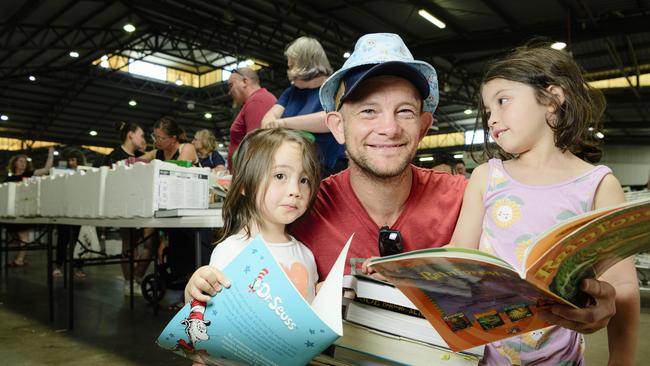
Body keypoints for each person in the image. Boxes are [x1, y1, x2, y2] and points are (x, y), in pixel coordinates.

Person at [448, 44, 639, 365]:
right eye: (488, 110)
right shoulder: (487, 177)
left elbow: (623, 287)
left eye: (503, 101)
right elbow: (457, 255)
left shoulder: (597, 184)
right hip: (484, 355)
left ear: (552, 99)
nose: (492, 117)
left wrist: (620, 361)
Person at [183, 128, 321, 308]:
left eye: (304, 180)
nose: (295, 190)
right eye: (280, 176)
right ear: (244, 186)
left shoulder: (306, 255)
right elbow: (208, 317)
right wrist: (192, 293)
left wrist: (321, 295)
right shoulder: (231, 251)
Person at [261, 36, 346, 177]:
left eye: (291, 64)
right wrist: (272, 122)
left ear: (305, 64)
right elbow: (268, 119)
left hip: (325, 168)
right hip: (292, 165)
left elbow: (329, 120)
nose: (288, 66)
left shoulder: (334, 88)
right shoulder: (291, 92)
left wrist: (282, 123)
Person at [100, 121, 155, 295]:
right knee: (129, 244)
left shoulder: (143, 155)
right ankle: (128, 282)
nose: (143, 139)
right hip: (125, 207)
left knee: (152, 243)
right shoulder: (114, 156)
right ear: (130, 134)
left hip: (146, 205)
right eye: (141, 135)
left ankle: (137, 278)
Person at [4, 146, 54, 267]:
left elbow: (46, 169)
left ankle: (20, 259)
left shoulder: (29, 174)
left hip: (24, 209)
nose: (23, 163)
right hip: (11, 212)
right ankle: (20, 258)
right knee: (17, 237)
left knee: (23, 235)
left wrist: (51, 155)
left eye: (25, 162)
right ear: (14, 163)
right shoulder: (8, 179)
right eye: (20, 161)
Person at [227, 67, 277, 168]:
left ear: (245, 81)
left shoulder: (257, 100)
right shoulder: (256, 100)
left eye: (231, 85)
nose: (229, 92)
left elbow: (258, 146)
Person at [53, 149, 87, 279]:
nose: (70, 162)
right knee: (63, 240)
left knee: (79, 242)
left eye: (73, 160)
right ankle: (58, 267)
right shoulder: (63, 174)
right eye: (69, 160)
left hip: (79, 213)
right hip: (65, 212)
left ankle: (78, 268)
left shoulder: (85, 173)